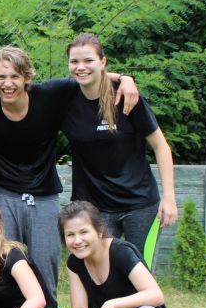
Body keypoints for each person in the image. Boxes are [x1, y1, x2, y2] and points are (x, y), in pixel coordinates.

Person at [0, 45, 139, 297]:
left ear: (27, 77)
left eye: (14, 76)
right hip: (4, 195)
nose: (8, 84)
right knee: (3, 270)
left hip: (44, 197)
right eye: (1, 77)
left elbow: (86, 76)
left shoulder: (49, 95)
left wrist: (124, 78)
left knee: (45, 270)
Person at [63, 34, 177, 257]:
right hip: (94, 209)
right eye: (74, 61)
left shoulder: (127, 96)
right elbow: (22, 88)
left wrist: (169, 197)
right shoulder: (64, 98)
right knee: (101, 271)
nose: (81, 67)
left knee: (141, 271)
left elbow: (161, 146)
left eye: (88, 60)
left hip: (140, 204)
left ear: (103, 61)